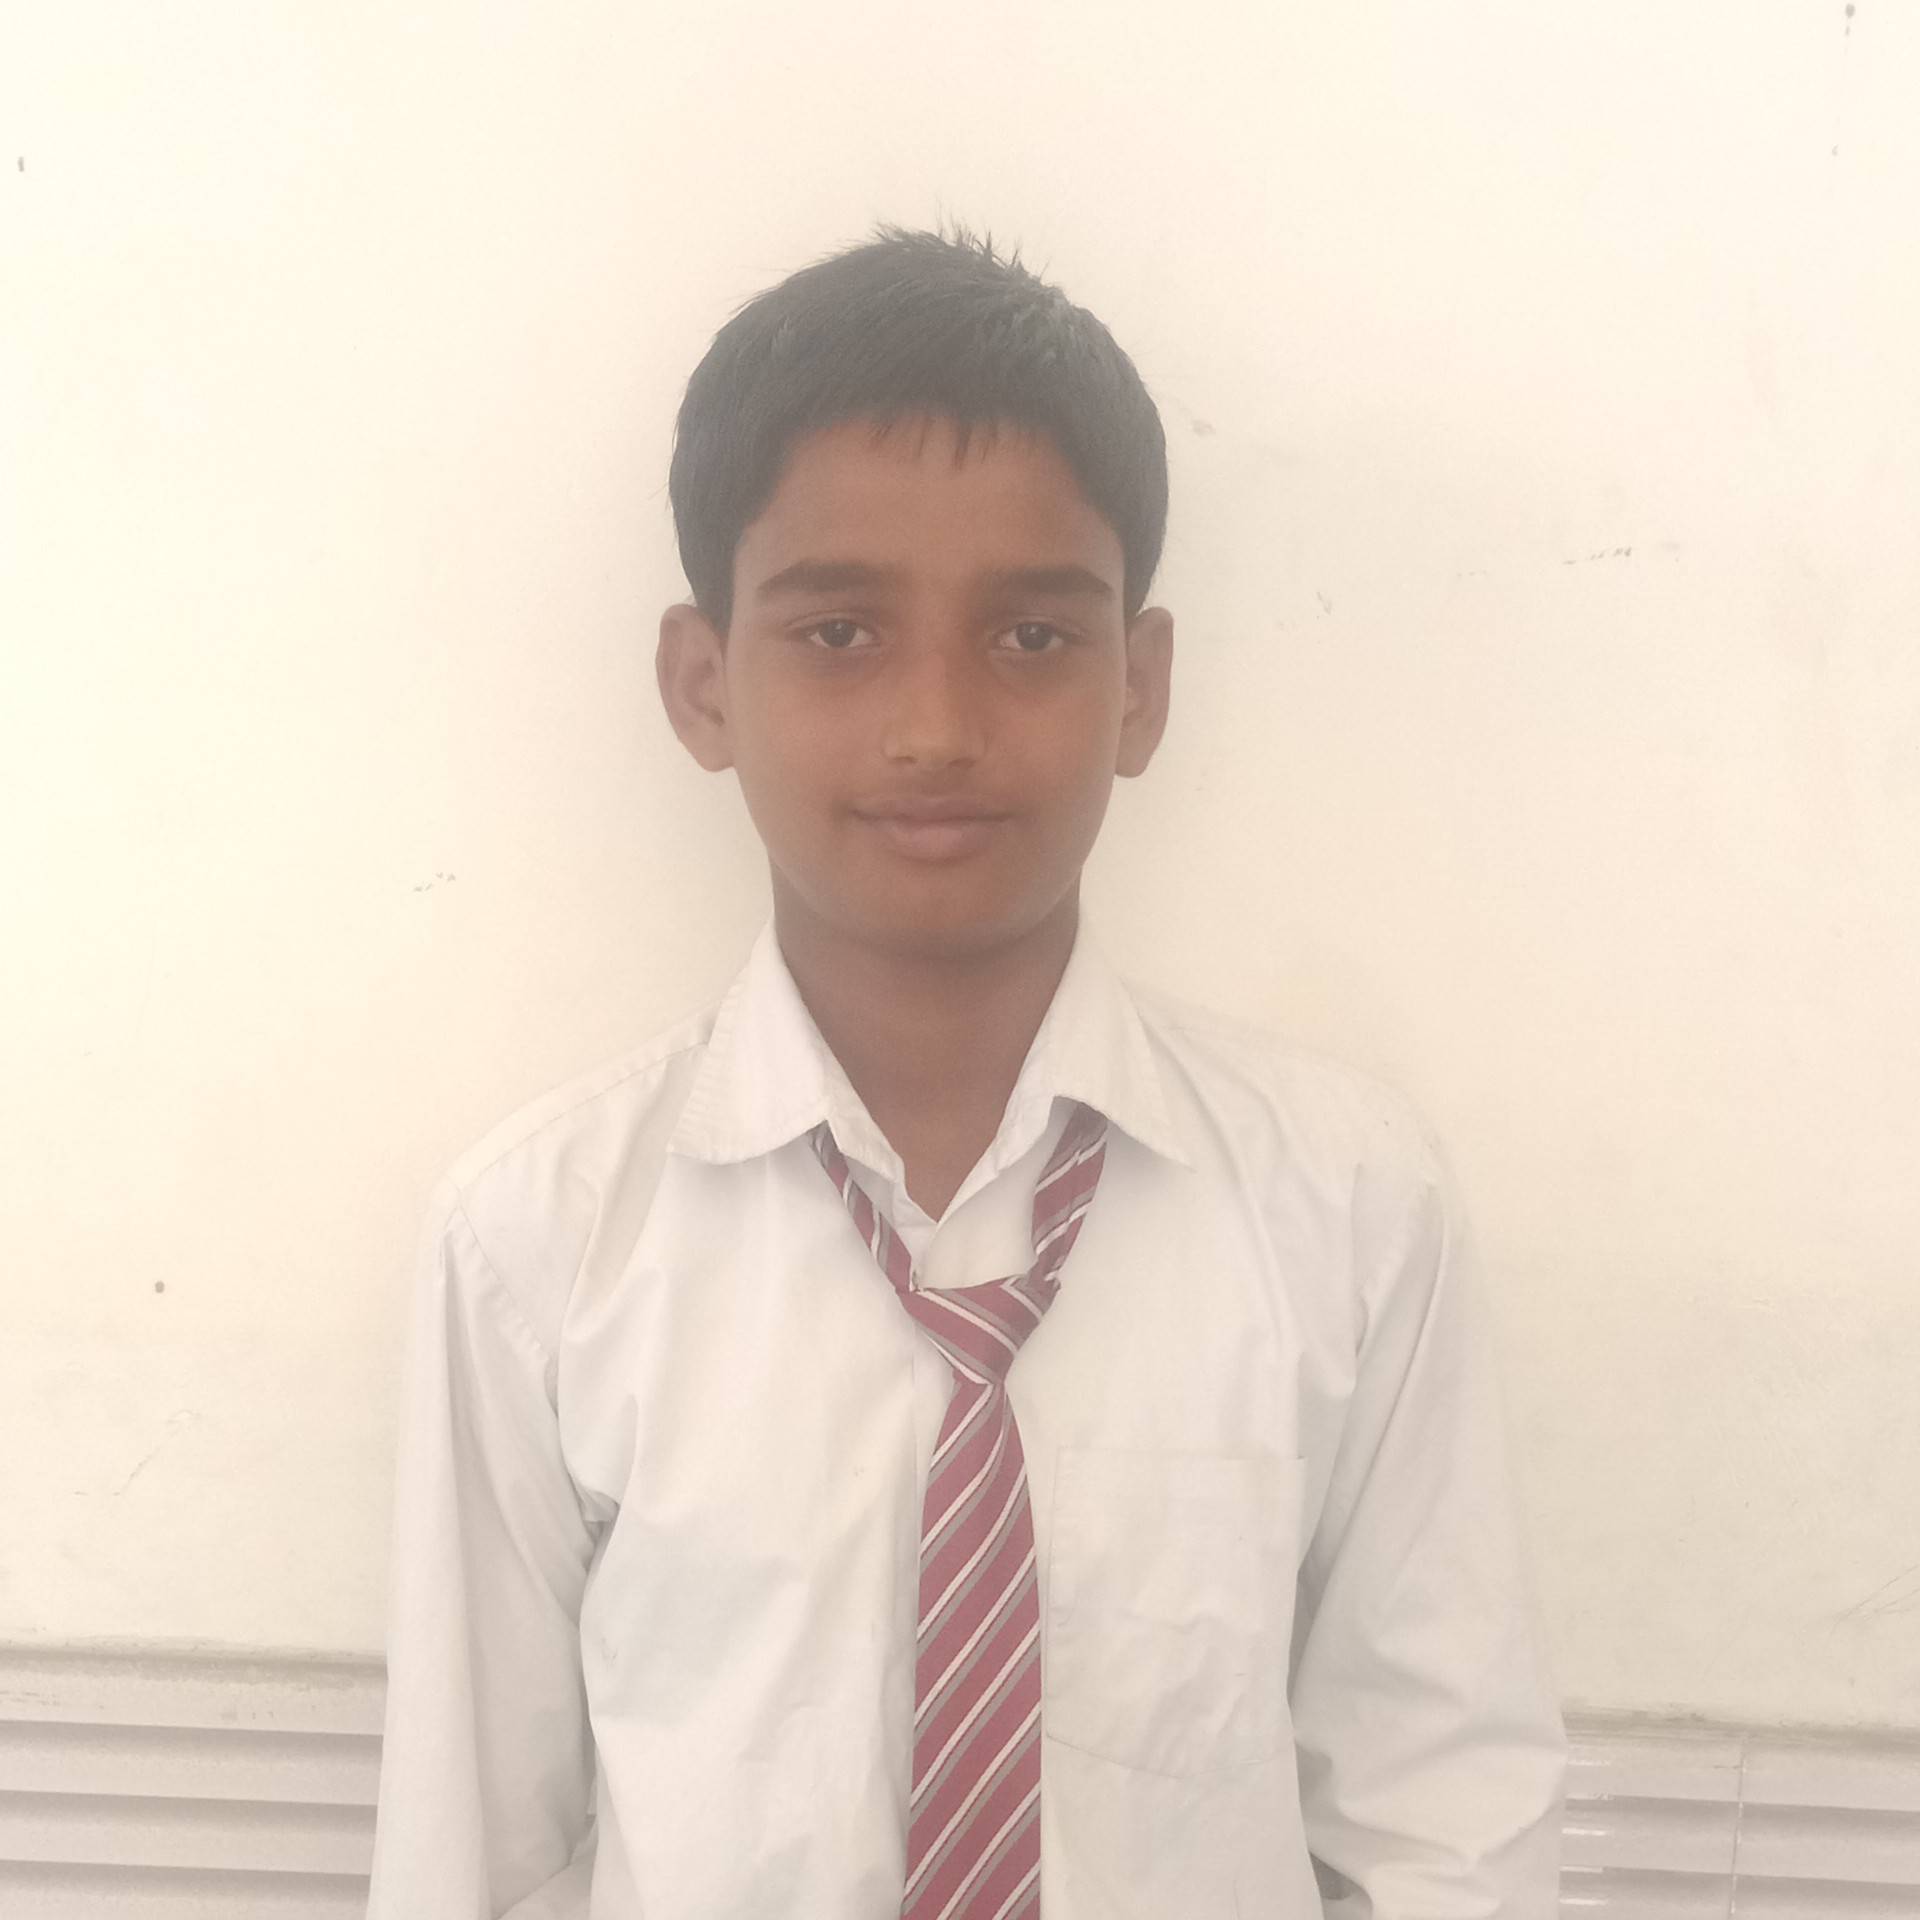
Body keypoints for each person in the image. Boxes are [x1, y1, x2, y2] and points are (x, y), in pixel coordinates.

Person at [367, 220, 1567, 1920]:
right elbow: (470, 1859)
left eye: (1031, 639)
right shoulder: (538, 1245)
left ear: (1140, 687)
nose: (935, 727)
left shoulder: (1350, 1210)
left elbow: (1447, 1825)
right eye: (839, 632)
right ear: (702, 685)